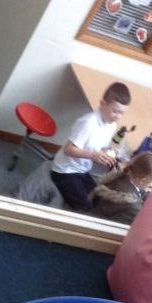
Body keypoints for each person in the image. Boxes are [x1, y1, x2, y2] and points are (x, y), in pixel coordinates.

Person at [49, 81, 131, 211]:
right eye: (115, 111)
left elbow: (100, 147)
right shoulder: (88, 123)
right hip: (65, 171)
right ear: (102, 103)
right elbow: (68, 149)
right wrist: (92, 155)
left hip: (82, 170)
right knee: (87, 207)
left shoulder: (111, 124)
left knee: (99, 199)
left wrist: (108, 155)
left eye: (122, 113)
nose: (118, 117)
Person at [89, 150, 152, 226]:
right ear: (142, 180)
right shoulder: (133, 207)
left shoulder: (122, 177)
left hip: (95, 215)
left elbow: (141, 193)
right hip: (98, 228)